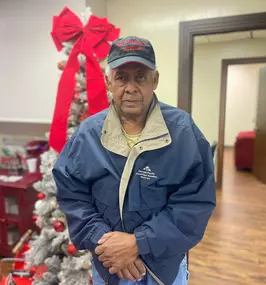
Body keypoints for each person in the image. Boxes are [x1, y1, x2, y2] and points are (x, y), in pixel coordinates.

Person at [53, 36, 216, 285]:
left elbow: (195, 204)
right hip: (108, 266)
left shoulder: (183, 132)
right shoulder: (88, 134)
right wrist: (105, 241)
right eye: (121, 78)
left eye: (140, 76)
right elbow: (73, 195)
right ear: (109, 82)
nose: (130, 88)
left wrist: (138, 243)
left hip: (163, 269)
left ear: (155, 80)